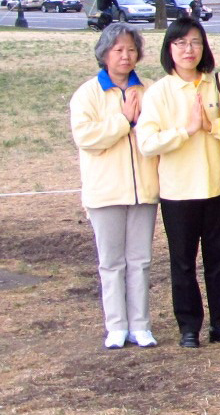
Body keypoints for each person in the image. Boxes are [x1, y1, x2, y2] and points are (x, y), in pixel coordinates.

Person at [135, 17, 220, 348]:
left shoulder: (219, 83)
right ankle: (188, 327)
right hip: (178, 191)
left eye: (195, 42)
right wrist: (187, 130)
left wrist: (210, 126)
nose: (189, 50)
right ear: (169, 49)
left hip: (217, 187)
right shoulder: (159, 92)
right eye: (181, 43)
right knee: (183, 263)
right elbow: (147, 142)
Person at [70, 23, 160, 350]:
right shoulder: (88, 93)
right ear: (105, 54)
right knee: (111, 263)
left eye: (131, 50)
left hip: (144, 190)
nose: (125, 56)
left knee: (140, 260)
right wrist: (123, 121)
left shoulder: (149, 89)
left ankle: (141, 325)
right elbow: (87, 138)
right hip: (105, 192)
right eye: (118, 50)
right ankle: (116, 326)